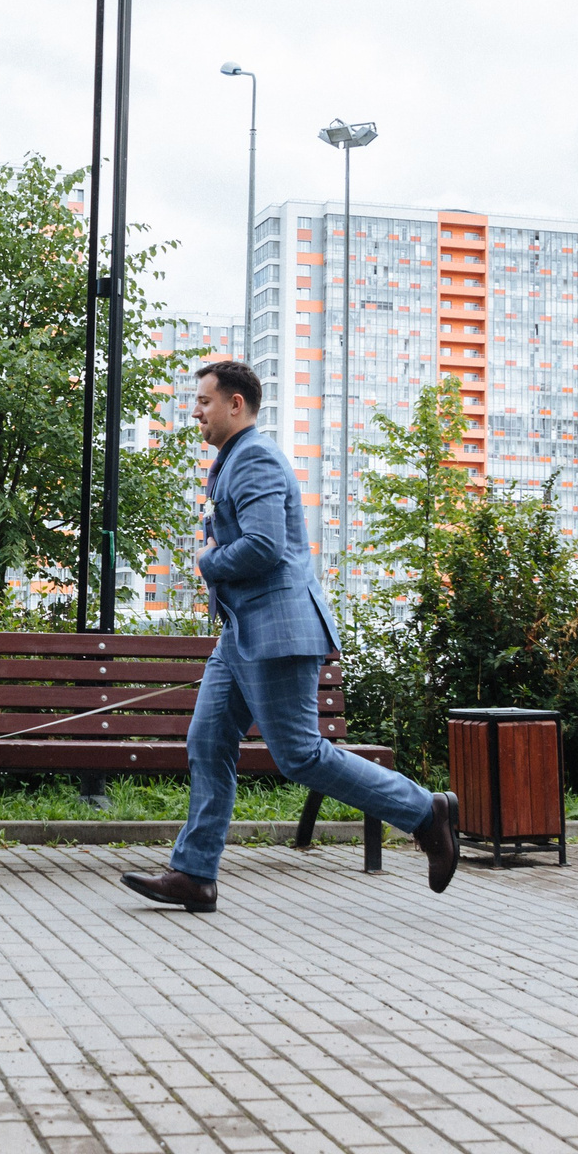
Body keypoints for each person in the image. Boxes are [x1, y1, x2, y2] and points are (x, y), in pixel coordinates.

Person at [120, 359, 460, 913]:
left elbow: (263, 547)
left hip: (277, 630)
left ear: (236, 404)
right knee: (208, 740)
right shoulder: (229, 461)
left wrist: (207, 561)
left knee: (300, 755)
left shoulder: (253, 456)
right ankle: (194, 874)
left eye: (204, 401)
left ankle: (426, 813)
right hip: (241, 635)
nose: (195, 411)